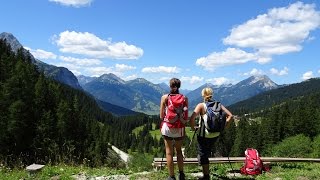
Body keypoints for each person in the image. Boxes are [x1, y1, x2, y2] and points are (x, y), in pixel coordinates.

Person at [189, 87, 233, 180]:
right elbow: (230, 116)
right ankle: (206, 172)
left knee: (203, 154)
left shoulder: (201, 105)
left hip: (203, 135)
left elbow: (192, 118)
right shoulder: (218, 105)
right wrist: (223, 127)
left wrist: (194, 128)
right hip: (215, 134)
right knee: (206, 152)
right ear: (211, 94)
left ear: (203, 95)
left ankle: (206, 176)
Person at [160, 78, 188, 180]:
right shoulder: (184, 98)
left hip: (168, 127)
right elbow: (185, 115)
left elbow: (161, 115)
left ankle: (171, 176)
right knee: (179, 151)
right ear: (179, 86)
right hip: (179, 128)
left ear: (170, 86)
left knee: (169, 152)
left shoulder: (164, 97)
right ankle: (181, 174)